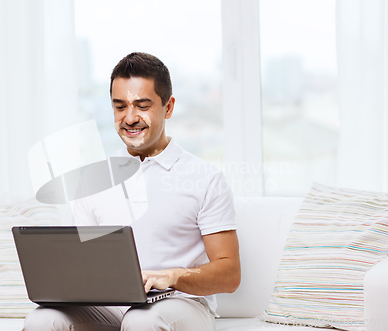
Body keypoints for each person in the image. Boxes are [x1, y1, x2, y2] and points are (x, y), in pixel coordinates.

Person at [23, 52, 240, 331]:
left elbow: (230, 273)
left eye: (142, 105)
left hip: (182, 302)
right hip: (111, 305)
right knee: (42, 319)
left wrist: (172, 276)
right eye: (120, 106)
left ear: (168, 107)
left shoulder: (205, 178)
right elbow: (85, 263)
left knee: (141, 320)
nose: (130, 118)